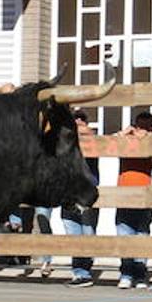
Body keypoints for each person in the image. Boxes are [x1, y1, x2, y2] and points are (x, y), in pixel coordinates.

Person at [115, 110, 152, 289]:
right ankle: (126, 273)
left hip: (146, 194)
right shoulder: (126, 140)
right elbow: (108, 144)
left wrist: (148, 138)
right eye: (139, 126)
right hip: (124, 193)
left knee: (141, 234)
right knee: (124, 233)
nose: (141, 130)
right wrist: (123, 134)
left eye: (146, 127)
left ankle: (140, 275)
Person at [63, 108, 100, 287]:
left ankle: (84, 271)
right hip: (68, 193)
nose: (78, 123)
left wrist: (82, 130)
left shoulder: (93, 140)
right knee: (73, 234)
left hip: (86, 193)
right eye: (74, 119)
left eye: (81, 120)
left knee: (87, 232)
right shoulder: (66, 142)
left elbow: (89, 134)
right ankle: (79, 272)